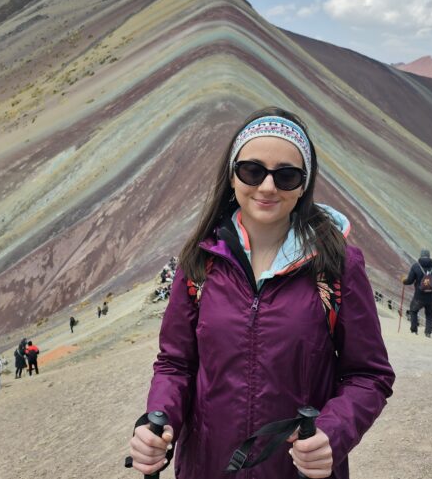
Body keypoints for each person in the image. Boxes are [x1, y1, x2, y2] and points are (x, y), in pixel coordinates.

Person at [128, 108, 395, 479]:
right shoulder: (200, 263)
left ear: (303, 185)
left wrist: (332, 434)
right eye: (252, 171)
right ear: (232, 176)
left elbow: (369, 375)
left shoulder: (337, 265)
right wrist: (158, 423)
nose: (267, 187)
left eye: (286, 176)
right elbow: (176, 365)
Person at [402, 249, 432, 338]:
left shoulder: (416, 266)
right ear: (429, 256)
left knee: (413, 311)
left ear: (421, 256)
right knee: (429, 314)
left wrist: (404, 281)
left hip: (419, 296)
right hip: (431, 297)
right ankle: (428, 333)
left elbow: (410, 281)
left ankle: (414, 331)